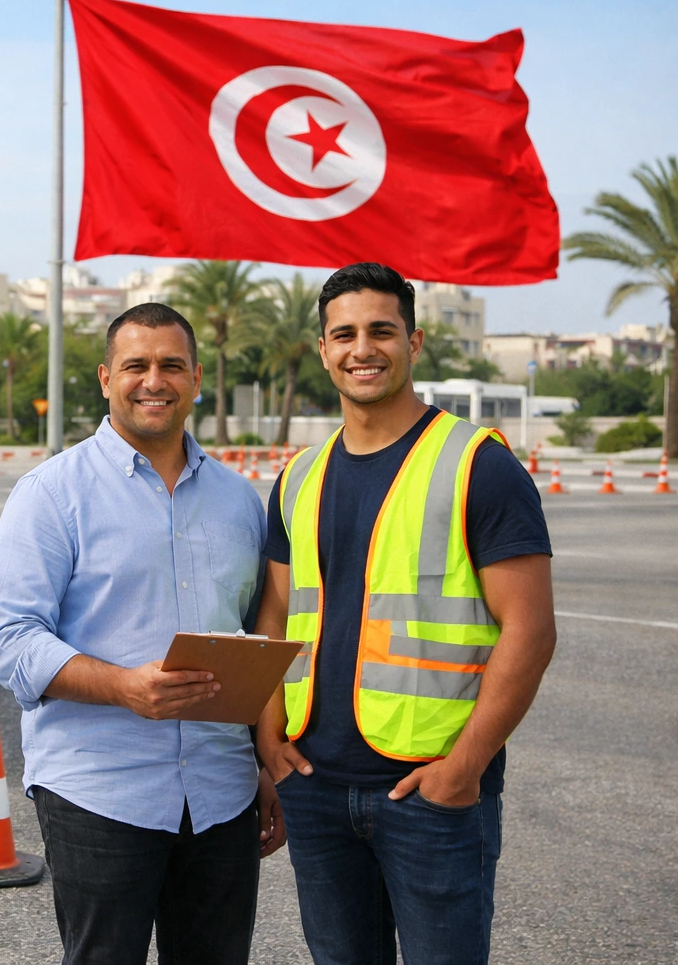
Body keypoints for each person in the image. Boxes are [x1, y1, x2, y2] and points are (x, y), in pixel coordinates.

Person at [254, 263, 556, 965]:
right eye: (344, 334)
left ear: (414, 343)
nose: (363, 348)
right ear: (324, 349)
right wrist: (268, 736)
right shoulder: (298, 476)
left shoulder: (477, 464)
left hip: (430, 791)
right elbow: (275, 613)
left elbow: (531, 630)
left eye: (382, 331)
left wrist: (464, 767)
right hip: (315, 785)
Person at [0, 302, 284, 965]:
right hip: (99, 789)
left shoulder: (240, 501)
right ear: (105, 378)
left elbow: (254, 639)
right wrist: (122, 686)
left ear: (196, 378)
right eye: (135, 365)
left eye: (171, 365)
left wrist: (261, 764)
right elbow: (9, 638)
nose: (154, 381)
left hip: (221, 791)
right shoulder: (51, 493)